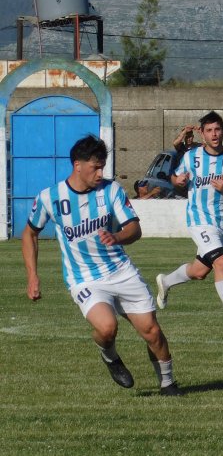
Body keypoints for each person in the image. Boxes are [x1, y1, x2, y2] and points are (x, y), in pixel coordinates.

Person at [21, 136, 180, 396]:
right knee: (107, 327)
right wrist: (32, 276)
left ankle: (168, 384)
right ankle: (110, 356)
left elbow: (134, 228)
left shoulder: (111, 190)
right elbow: (30, 233)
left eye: (102, 167)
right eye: (95, 167)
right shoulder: (50, 198)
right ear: (77, 165)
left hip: (121, 271)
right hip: (84, 278)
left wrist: (117, 237)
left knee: (151, 331)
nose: (100, 173)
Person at [156, 111, 223, 330]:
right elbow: (175, 177)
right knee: (221, 261)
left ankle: (166, 281)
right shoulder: (191, 157)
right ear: (202, 133)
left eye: (217, 129)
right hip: (198, 220)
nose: (214, 134)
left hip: (220, 223)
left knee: (199, 272)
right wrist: (178, 181)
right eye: (209, 130)